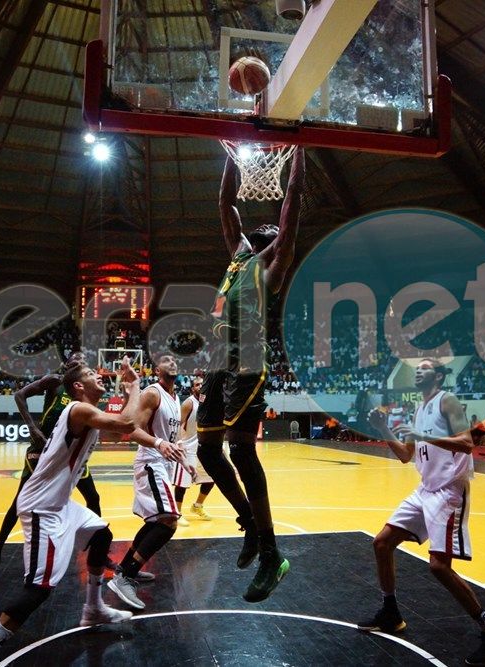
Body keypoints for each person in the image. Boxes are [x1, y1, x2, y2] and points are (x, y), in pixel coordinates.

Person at [0, 359, 180, 667]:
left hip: (60, 503)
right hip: (41, 508)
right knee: (38, 590)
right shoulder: (79, 410)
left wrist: (129, 390)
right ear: (78, 386)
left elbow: (120, 428)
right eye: (90, 374)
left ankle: (94, 608)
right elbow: (127, 426)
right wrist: (133, 387)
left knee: (102, 534)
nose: (97, 375)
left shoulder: (87, 414)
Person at [194, 147, 305, 603]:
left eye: (277, 230)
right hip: (218, 362)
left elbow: (293, 201)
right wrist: (231, 150)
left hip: (248, 362)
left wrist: (300, 150)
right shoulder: (239, 254)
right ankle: (250, 525)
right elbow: (225, 203)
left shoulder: (271, 268)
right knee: (207, 451)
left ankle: (271, 553)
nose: (271, 227)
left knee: (240, 451)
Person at [356, 360, 485, 666]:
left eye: (425, 367)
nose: (418, 370)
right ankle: (391, 612)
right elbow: (404, 456)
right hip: (424, 490)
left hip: (449, 492)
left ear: (438, 376)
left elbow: (466, 444)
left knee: (439, 567)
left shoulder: (447, 401)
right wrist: (383, 428)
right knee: (382, 543)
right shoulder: (419, 409)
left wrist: (423, 435)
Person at [0, 353, 106, 584]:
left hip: (70, 455)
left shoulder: (85, 391)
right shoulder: (54, 382)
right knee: (17, 504)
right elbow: (19, 395)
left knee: (94, 498)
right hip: (43, 453)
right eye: (73, 362)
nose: (77, 365)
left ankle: (98, 553)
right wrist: (32, 427)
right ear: (66, 366)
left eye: (81, 363)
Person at [107, 354, 190, 610]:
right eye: (166, 360)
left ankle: (126, 565)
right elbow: (133, 429)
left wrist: (184, 460)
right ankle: (126, 576)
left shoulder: (176, 399)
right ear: (157, 370)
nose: (172, 361)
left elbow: (168, 438)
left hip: (163, 463)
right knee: (169, 522)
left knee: (156, 521)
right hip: (150, 461)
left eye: (175, 359)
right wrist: (159, 443)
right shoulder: (153, 394)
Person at [173, 376, 217, 525]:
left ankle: (197, 505)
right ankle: (177, 513)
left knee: (212, 478)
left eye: (202, 384)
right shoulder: (188, 403)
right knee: (183, 484)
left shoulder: (210, 402)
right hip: (187, 449)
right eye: (197, 384)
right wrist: (176, 443)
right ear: (193, 388)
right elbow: (177, 423)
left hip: (204, 448)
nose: (200, 386)